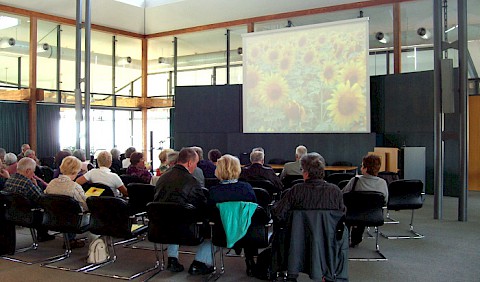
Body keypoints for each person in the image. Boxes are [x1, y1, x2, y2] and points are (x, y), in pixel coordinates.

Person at [272, 153, 345, 281]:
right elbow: (341, 216)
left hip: (296, 242)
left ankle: (290, 273)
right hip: (327, 241)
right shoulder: (335, 191)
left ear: (305, 172)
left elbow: (278, 214)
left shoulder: (296, 190)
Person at [153, 147, 210, 275]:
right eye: (195, 164)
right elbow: (202, 207)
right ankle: (199, 262)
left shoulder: (162, 178)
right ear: (190, 163)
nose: (195, 167)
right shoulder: (192, 182)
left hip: (159, 227)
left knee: (173, 215)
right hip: (186, 231)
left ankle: (172, 259)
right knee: (212, 226)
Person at [208, 154, 257, 276]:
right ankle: (250, 261)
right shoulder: (247, 188)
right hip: (247, 234)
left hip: (221, 234)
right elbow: (255, 211)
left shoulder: (213, 191)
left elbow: (210, 214)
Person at [341, 154, 388, 247]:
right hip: (374, 215)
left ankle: (346, 238)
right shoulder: (382, 183)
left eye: (362, 165)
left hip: (352, 214)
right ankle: (356, 238)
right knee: (365, 209)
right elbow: (385, 200)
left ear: (366, 168)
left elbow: (343, 195)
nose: (361, 167)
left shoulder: (355, 180)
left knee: (354, 208)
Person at [3, 157, 55, 242]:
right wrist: (36, 185)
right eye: (33, 171)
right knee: (45, 207)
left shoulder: (10, 179)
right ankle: (43, 235)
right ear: (27, 171)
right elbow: (41, 198)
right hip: (28, 216)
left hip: (11, 214)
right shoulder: (27, 182)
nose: (34, 174)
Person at [45, 156, 87, 249]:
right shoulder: (75, 187)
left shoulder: (51, 183)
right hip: (73, 222)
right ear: (76, 170)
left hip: (53, 219)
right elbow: (86, 205)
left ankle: (69, 239)